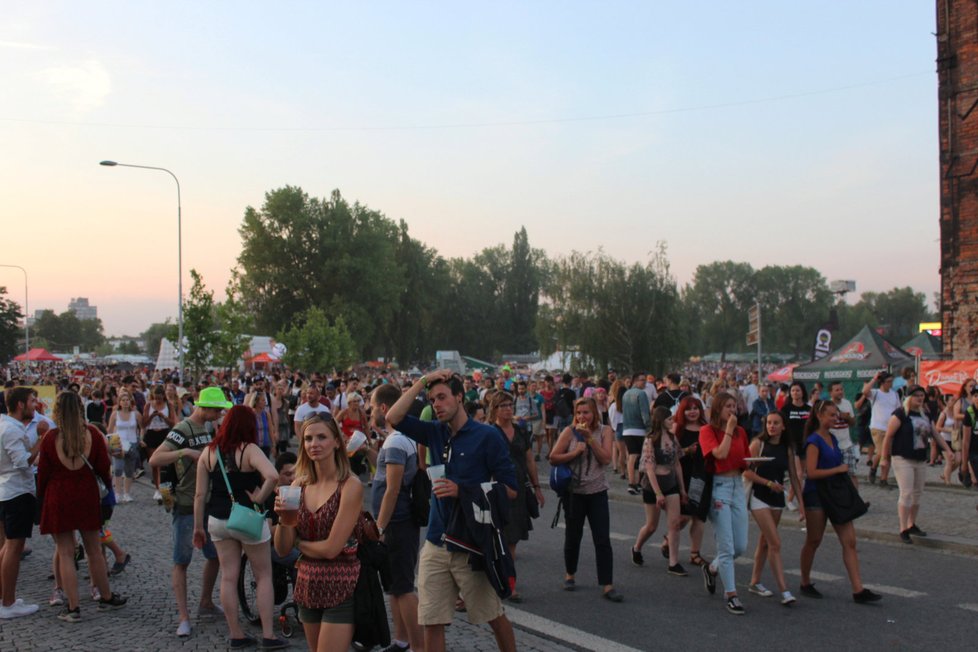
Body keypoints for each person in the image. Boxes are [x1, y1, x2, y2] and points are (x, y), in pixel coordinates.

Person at [385, 370, 518, 652]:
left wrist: (463, 490)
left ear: (460, 397)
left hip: (470, 543)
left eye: (442, 397)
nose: (436, 404)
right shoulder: (435, 431)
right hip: (435, 542)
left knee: (492, 616)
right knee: (432, 621)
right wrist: (423, 380)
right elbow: (392, 418)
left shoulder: (487, 436)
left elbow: (510, 489)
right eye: (432, 400)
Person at [193, 405, 285, 649]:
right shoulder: (249, 449)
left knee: (228, 576)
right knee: (263, 575)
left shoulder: (208, 453)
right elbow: (273, 476)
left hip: (217, 520)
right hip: (247, 518)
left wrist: (197, 527)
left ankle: (236, 634)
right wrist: (258, 498)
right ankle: (268, 635)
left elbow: (200, 495)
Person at [273, 414, 363, 652]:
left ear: (336, 441)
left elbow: (332, 549)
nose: (314, 444)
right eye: (308, 438)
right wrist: (284, 521)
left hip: (341, 584)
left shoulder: (350, 485)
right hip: (306, 585)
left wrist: (298, 543)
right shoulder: (297, 487)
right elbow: (282, 549)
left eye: (322, 437)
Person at [37, 391, 127, 622]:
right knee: (94, 549)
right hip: (86, 495)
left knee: (66, 553)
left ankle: (73, 607)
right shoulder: (93, 435)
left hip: (59, 495)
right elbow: (104, 467)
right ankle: (105, 597)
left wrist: (40, 501)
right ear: (81, 408)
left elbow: (43, 475)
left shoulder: (50, 438)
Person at [149, 386, 226, 638]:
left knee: (214, 555)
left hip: (206, 502)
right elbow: (155, 459)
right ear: (205, 407)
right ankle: (183, 617)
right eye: (217, 409)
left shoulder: (207, 428)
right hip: (185, 504)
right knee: (181, 560)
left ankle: (205, 602)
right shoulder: (182, 429)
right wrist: (184, 452)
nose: (219, 414)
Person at [798, 400, 882, 603]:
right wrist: (838, 469)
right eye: (831, 415)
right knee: (814, 540)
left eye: (836, 415)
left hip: (835, 494)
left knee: (850, 541)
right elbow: (811, 472)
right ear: (820, 416)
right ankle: (805, 581)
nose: (836, 418)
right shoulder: (813, 441)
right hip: (816, 493)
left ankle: (858, 589)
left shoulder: (833, 438)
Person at [550, 397, 622, 602]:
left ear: (595, 413)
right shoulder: (568, 431)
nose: (582, 416)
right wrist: (574, 452)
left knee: (602, 538)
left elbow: (606, 459)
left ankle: (607, 584)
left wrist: (590, 439)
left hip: (597, 491)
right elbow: (553, 457)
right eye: (579, 412)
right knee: (573, 535)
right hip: (574, 493)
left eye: (586, 412)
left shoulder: (605, 431)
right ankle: (570, 573)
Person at [370, 383, 424, 652]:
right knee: (393, 585)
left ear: (383, 408)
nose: (370, 411)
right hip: (399, 519)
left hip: (396, 521)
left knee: (402, 586)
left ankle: (417, 645)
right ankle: (401, 640)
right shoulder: (399, 438)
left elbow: (392, 488)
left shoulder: (396, 440)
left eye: (372, 406)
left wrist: (379, 525)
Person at [880, 385, 955, 544]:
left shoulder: (925, 414)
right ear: (908, 398)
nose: (920, 399)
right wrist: (884, 458)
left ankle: (911, 523)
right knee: (906, 492)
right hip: (902, 457)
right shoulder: (901, 414)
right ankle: (903, 528)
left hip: (920, 458)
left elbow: (935, 434)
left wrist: (948, 450)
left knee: (917, 493)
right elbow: (888, 436)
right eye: (916, 396)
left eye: (922, 396)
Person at [488, 391, 544, 603]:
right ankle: (493, 580)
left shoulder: (520, 431)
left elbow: (530, 461)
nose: (508, 409)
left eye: (510, 405)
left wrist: (537, 487)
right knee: (495, 538)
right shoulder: (489, 432)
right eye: (503, 405)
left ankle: (510, 585)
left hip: (518, 488)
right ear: (494, 409)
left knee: (512, 540)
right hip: (495, 489)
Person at [743, 412, 803, 605]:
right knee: (775, 543)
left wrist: (801, 504)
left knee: (765, 542)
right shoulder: (758, 444)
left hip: (777, 499)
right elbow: (745, 471)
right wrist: (768, 483)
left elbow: (794, 476)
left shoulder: (787, 447)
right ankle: (785, 591)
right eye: (769, 422)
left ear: (783, 426)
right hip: (759, 496)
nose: (772, 426)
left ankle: (754, 581)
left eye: (776, 423)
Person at [699, 392, 750, 615]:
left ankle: (713, 567)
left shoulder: (742, 432)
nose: (733, 410)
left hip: (738, 485)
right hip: (719, 487)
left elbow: (744, 459)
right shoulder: (707, 431)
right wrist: (729, 429)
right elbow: (719, 453)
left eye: (734, 406)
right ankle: (731, 594)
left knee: (740, 546)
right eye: (728, 406)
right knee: (727, 546)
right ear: (718, 409)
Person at [630, 407, 687, 576]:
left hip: (670, 484)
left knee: (674, 524)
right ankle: (637, 547)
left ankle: (673, 563)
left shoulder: (672, 437)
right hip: (652, 485)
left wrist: (683, 489)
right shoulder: (650, 440)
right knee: (652, 526)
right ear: (661, 420)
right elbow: (649, 468)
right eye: (670, 419)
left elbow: (677, 463)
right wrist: (658, 494)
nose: (672, 421)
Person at [0, 387, 41, 619]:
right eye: (31, 401)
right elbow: (24, 462)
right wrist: (41, 441)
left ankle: (4, 598)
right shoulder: (11, 430)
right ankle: (8, 602)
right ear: (19, 405)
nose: (35, 405)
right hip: (17, 493)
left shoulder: (5, 425)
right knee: (13, 549)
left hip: (7, 490)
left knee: (7, 547)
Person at [674, 396, 708, 568]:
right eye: (689, 409)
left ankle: (695, 553)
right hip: (684, 476)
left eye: (696, 408)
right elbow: (671, 454)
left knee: (699, 517)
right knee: (684, 517)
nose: (693, 412)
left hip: (702, 476)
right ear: (682, 411)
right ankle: (669, 538)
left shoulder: (706, 428)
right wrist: (687, 451)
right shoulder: (677, 429)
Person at [863, 372, 901, 488]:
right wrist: (874, 379)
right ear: (882, 383)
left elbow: (898, 409)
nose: (890, 384)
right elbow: (865, 391)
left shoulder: (894, 394)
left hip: (890, 428)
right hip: (878, 428)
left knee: (883, 453)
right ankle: (883, 480)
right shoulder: (875, 393)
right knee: (884, 453)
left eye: (891, 381)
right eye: (888, 382)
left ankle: (874, 469)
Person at [142, 384, 177, 501]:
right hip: (151, 434)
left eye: (159, 398)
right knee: (154, 463)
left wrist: (163, 416)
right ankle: (157, 488)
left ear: (163, 396)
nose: (157, 400)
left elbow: (172, 423)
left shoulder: (169, 405)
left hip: (164, 433)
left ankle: (164, 488)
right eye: (155, 398)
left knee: (164, 464)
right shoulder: (148, 405)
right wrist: (152, 416)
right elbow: (143, 424)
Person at [107, 391, 142, 503]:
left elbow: (142, 427)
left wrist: (140, 439)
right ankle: (117, 493)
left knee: (129, 470)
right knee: (118, 469)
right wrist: (110, 443)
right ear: (120, 402)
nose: (126, 402)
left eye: (127, 400)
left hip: (132, 443)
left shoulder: (135, 414)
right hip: (119, 444)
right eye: (123, 400)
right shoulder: (115, 414)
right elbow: (110, 429)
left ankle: (127, 493)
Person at [621, 374, 652, 495]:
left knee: (632, 456)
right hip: (639, 429)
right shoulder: (641, 394)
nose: (645, 383)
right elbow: (645, 413)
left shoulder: (625, 394)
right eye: (642, 380)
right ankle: (636, 483)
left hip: (627, 429)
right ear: (635, 381)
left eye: (645, 380)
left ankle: (632, 483)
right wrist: (649, 427)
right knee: (640, 456)